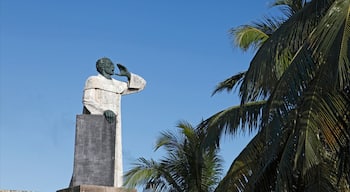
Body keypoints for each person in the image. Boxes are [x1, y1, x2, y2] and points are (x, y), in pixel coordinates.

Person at [82, 57, 146, 187]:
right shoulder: (93, 80)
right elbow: (87, 100)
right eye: (109, 64)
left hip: (114, 124)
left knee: (114, 155)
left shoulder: (117, 84)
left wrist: (128, 75)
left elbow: (141, 85)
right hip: (96, 123)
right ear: (102, 67)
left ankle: (115, 185)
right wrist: (103, 111)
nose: (113, 66)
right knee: (92, 158)